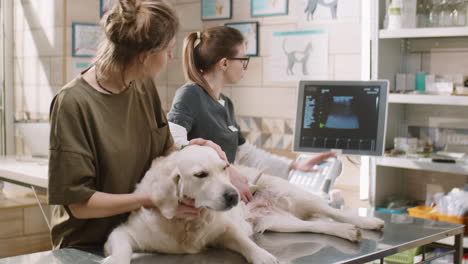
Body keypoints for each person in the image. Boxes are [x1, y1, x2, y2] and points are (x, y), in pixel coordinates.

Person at [48, 0, 226, 250]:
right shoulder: (73, 104)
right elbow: (80, 204)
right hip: (87, 246)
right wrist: (154, 199)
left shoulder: (142, 84)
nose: (171, 56)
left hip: (143, 234)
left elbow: (166, 152)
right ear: (144, 56)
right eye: (168, 49)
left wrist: (193, 152)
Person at [167, 26, 336, 203]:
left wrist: (295, 166)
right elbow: (174, 145)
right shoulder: (190, 94)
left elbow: (246, 154)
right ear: (224, 63)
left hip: (224, 198)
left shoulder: (226, 104)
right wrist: (228, 170)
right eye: (243, 60)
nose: (245, 68)